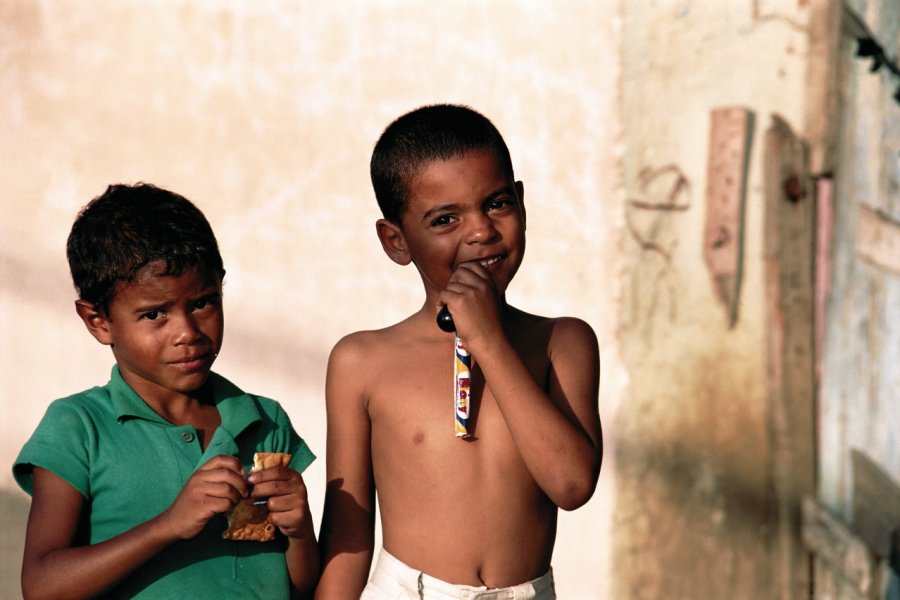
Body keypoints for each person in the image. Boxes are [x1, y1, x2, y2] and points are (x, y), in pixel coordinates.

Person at [316, 104, 602, 599]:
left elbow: (571, 485)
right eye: (445, 219)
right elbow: (348, 536)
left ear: (522, 204)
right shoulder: (362, 362)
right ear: (396, 241)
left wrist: (488, 340)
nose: (480, 231)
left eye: (496, 204)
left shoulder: (562, 342)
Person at [13, 184, 318, 598]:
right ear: (98, 321)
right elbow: (42, 586)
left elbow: (297, 587)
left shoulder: (264, 422)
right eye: (154, 314)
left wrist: (300, 533)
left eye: (202, 303)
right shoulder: (79, 428)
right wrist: (168, 525)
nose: (187, 333)